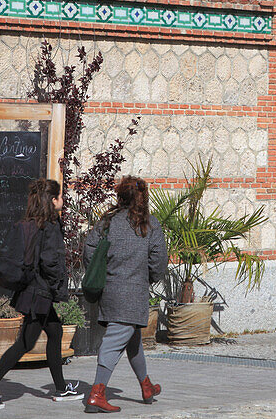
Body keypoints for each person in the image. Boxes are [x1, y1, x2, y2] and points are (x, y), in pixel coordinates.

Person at [0, 178, 83, 409]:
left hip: (33, 290)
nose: (63, 200)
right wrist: (58, 286)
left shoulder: (34, 223)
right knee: (24, 343)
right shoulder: (51, 225)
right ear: (52, 200)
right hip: (40, 293)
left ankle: (61, 388)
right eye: (60, 196)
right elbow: (49, 261)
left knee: (54, 333)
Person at [81, 176, 168, 413]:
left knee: (133, 340)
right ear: (143, 197)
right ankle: (97, 394)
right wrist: (147, 278)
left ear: (121, 196)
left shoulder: (106, 223)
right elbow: (158, 263)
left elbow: (89, 251)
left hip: (109, 292)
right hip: (134, 292)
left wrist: (103, 274)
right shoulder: (150, 225)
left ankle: (146, 386)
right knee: (113, 341)